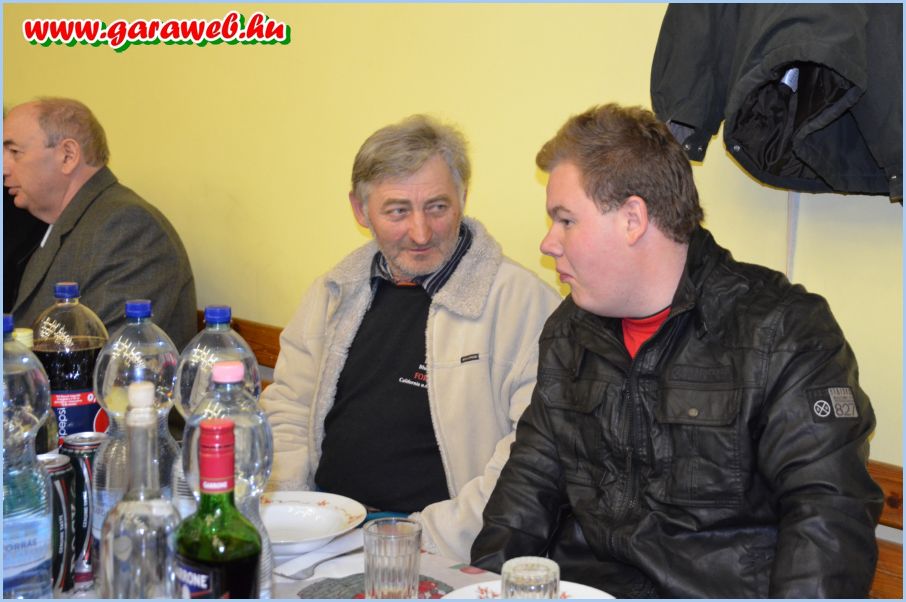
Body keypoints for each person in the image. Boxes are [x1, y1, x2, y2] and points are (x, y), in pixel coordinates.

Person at [470, 104, 884, 598]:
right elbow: (529, 483)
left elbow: (829, 515)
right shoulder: (570, 329)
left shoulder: (782, 330)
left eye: (565, 221)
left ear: (632, 219)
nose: (547, 243)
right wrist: (484, 585)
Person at [260, 115, 561, 562]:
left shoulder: (522, 304)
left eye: (437, 207)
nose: (420, 233)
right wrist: (293, 515)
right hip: (324, 535)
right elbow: (288, 409)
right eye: (398, 211)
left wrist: (420, 538)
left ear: (463, 198)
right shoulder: (334, 292)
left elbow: (529, 461)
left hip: (439, 550)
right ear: (360, 211)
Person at [4, 98, 197, 349]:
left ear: (68, 155)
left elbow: (100, 354)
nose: (4, 168)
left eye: (14, 152)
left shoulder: (129, 226)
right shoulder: (69, 220)